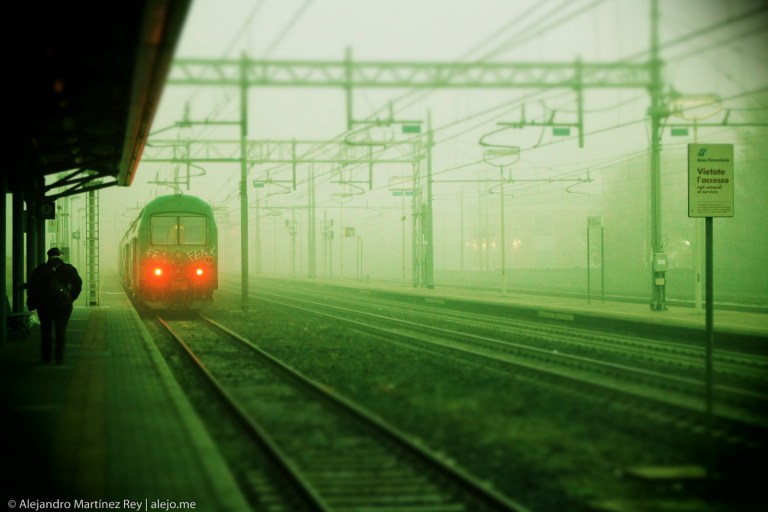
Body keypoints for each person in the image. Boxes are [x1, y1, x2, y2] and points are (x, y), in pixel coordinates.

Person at [27, 247, 82, 364]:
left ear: (48, 256)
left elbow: (32, 288)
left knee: (46, 331)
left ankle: (46, 358)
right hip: (63, 306)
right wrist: (71, 298)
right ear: (60, 256)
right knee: (60, 330)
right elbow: (78, 284)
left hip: (44, 306)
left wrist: (32, 305)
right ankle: (59, 358)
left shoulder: (40, 269)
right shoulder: (69, 268)